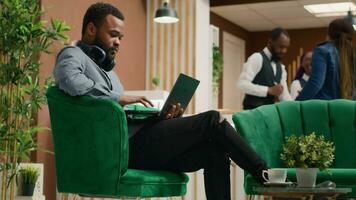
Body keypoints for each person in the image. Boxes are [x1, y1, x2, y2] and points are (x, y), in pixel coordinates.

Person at [53, 3, 267, 200]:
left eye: (121, 37)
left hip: (139, 142)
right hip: (121, 149)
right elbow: (71, 81)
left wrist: (161, 119)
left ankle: (260, 173)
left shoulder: (109, 72)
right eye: (113, 34)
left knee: (215, 153)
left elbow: (112, 113)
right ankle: (263, 173)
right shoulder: (72, 54)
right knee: (211, 120)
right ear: (91, 29)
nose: (118, 42)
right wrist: (119, 97)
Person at [297, 18, 354, 100]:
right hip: (347, 107)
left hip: (324, 108)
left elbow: (316, 83)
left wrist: (298, 101)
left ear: (329, 34)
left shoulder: (322, 51)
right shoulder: (351, 55)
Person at [238, 27, 292, 110]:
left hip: (268, 113)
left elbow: (284, 95)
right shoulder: (257, 58)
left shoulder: (281, 67)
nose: (284, 51)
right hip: (252, 113)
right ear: (270, 42)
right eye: (281, 47)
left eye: (286, 48)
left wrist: (295, 108)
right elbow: (242, 84)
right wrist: (268, 90)